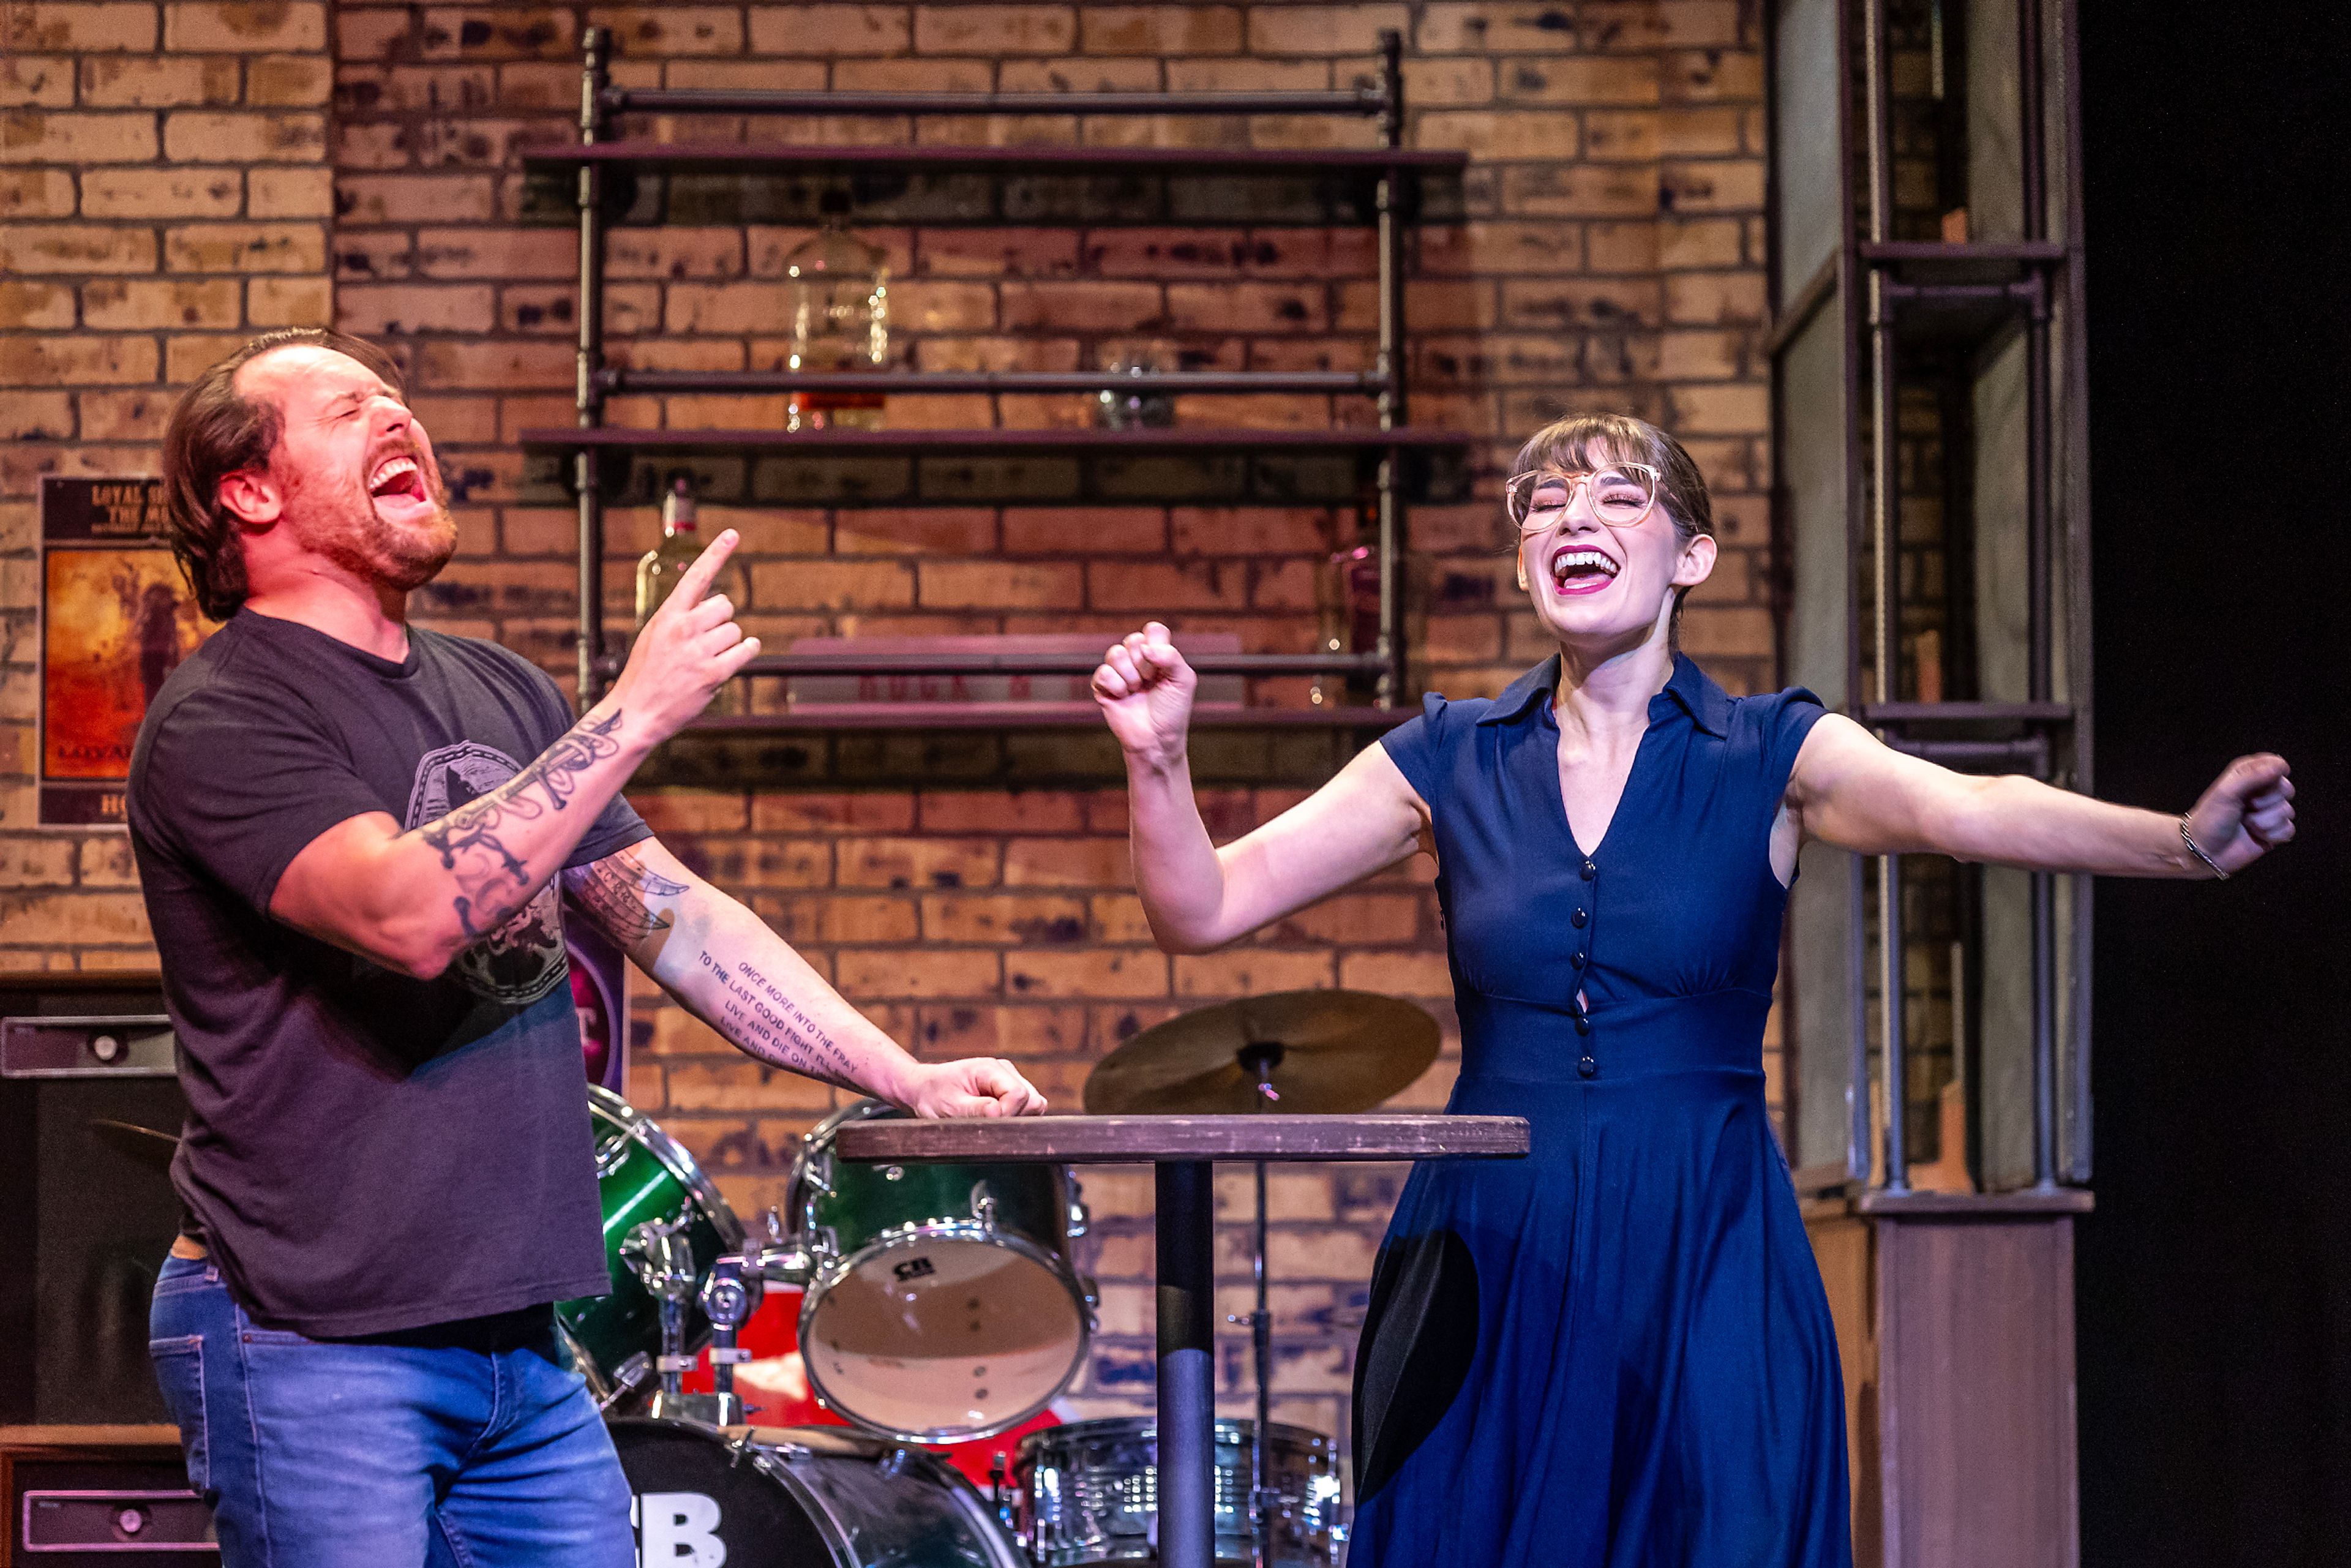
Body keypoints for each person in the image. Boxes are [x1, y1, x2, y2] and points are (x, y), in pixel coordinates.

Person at [1092, 412, 2294, 1566]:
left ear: (1692, 556)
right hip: (1495, 1245)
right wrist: (1158, 761)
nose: (1577, 515)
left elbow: (1967, 809)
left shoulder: (1772, 751)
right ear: (1525, 555)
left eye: (1623, 496)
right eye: (1546, 501)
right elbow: (1201, 909)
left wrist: (2180, 843)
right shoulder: (1447, 755)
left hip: (1707, 1235)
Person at [129, 328, 1047, 1568]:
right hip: (310, 1339)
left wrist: (907, 1077)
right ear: (250, 490)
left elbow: (679, 919)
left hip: (519, 1346)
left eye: (404, 402)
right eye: (352, 409)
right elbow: (401, 914)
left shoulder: (500, 691)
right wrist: (631, 715)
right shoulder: (228, 712)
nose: (404, 422)